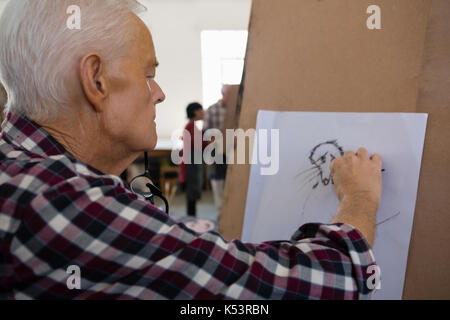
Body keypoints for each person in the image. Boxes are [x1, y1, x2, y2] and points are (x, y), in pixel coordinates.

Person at [0, 0, 381, 300]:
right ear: (95, 79)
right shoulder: (60, 202)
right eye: (148, 74)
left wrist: (178, 238)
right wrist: (360, 198)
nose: (159, 92)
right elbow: (309, 285)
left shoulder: (18, 163)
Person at [203, 85, 232, 212]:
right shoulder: (212, 109)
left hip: (232, 149)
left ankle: (229, 206)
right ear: (224, 94)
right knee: (216, 177)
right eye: (230, 94)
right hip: (215, 149)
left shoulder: (235, 110)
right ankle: (220, 207)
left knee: (229, 177)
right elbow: (205, 131)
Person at [179, 102, 206, 217]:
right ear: (195, 112)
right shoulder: (190, 127)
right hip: (191, 165)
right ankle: (191, 220)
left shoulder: (192, 126)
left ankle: (192, 218)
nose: (203, 112)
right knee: (191, 195)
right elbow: (196, 145)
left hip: (193, 163)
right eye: (201, 110)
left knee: (193, 195)